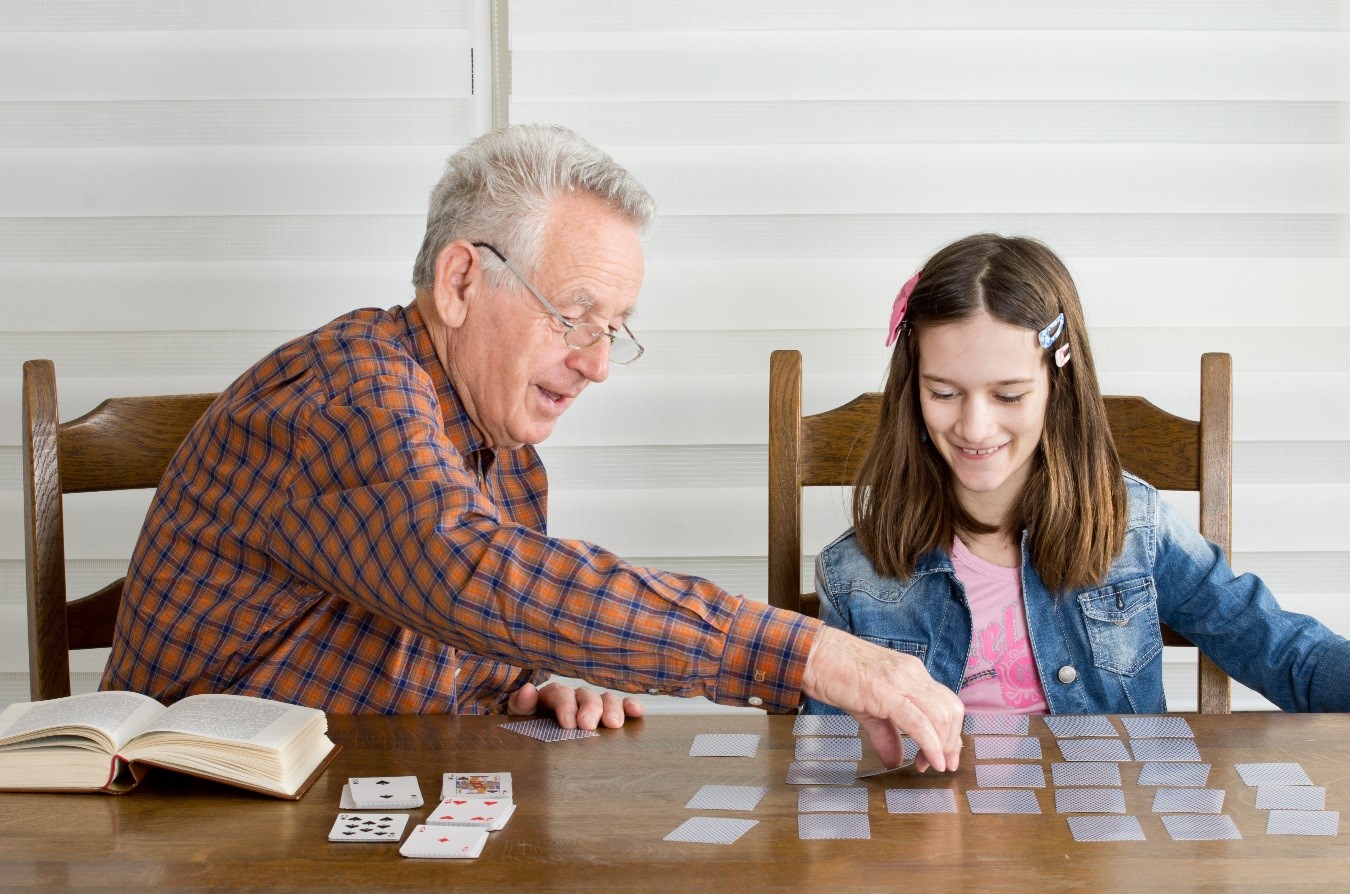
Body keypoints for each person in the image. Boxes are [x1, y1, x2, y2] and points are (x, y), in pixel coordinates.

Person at [101, 124, 963, 771]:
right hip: (186, 823)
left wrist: (523, 688)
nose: (595, 364)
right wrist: (807, 651)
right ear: (462, 281)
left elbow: (477, 619)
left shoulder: (503, 446)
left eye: (614, 329)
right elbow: (465, 574)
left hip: (361, 802)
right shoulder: (346, 393)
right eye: (574, 315)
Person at [806, 233, 1350, 716]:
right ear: (913, 391)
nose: (975, 427)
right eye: (943, 393)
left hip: (1105, 823)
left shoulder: (1134, 528)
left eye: (1009, 395)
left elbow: (1282, 651)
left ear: (1055, 389)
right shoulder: (856, 571)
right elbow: (828, 761)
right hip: (934, 829)